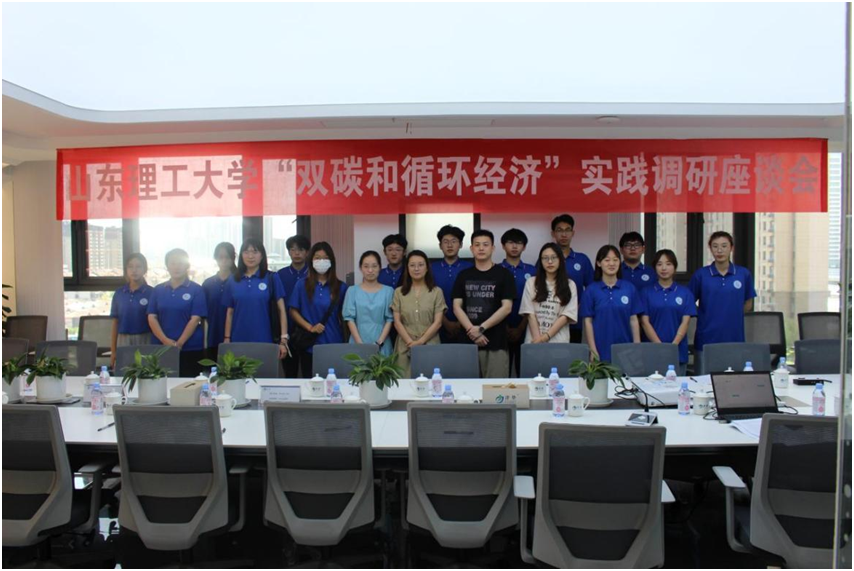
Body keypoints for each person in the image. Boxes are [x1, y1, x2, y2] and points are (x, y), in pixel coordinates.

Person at [452, 230, 516, 378]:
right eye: (477, 245)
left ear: (493, 248)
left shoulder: (504, 274)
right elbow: (456, 307)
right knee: (466, 389)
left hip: (496, 343)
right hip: (467, 342)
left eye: (485, 245)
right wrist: (472, 331)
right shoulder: (463, 275)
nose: (481, 248)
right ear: (471, 248)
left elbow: (507, 308)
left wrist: (481, 328)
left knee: (495, 388)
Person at [689, 231, 756, 360]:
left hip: (734, 337)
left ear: (731, 248)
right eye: (715, 246)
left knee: (733, 372)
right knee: (704, 372)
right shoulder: (701, 275)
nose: (719, 250)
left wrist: (731, 313)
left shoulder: (743, 274)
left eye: (724, 246)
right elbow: (689, 303)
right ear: (710, 248)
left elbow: (748, 303)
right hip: (706, 337)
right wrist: (705, 314)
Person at [288, 242, 348, 377]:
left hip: (334, 342)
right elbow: (293, 311)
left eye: (325, 258)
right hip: (310, 345)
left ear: (332, 261)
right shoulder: (302, 285)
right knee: (311, 383)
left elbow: (345, 316)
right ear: (311, 261)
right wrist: (310, 327)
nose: (321, 261)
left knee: (334, 382)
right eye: (317, 258)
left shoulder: (341, 287)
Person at [222, 239, 289, 359]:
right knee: (239, 371)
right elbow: (230, 313)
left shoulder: (272, 278)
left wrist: (283, 339)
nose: (250, 256)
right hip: (238, 340)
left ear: (262, 255)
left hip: (266, 340)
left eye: (255, 252)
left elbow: (281, 310)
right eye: (246, 252)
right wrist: (227, 338)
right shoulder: (233, 280)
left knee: (265, 370)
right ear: (241, 255)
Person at [146, 248, 207, 377]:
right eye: (172, 263)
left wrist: (179, 344)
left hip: (190, 348)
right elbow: (152, 317)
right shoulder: (158, 290)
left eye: (180, 263)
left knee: (190, 384)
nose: (176, 267)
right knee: (162, 383)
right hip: (161, 347)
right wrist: (165, 341)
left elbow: (195, 319)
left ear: (187, 265)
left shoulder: (196, 290)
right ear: (167, 266)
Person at [579, 245, 643, 363]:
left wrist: (637, 347)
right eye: (607, 260)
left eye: (615, 260)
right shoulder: (591, 290)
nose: (611, 264)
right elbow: (588, 322)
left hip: (626, 350)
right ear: (599, 263)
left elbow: (633, 320)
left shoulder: (629, 288)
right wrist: (593, 350)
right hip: (600, 349)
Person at [392, 250, 446, 378]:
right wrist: (410, 342)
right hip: (404, 345)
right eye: (412, 265)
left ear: (427, 268)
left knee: (431, 382)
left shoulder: (436, 292)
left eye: (421, 265)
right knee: (403, 383)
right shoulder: (399, 292)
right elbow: (397, 322)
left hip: (430, 343)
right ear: (407, 268)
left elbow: (438, 322)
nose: (416, 269)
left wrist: (420, 342)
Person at [640, 249, 696, 368]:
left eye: (668, 264)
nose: (664, 268)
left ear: (675, 267)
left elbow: (685, 323)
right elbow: (645, 322)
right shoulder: (646, 292)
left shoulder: (685, 293)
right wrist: (660, 347)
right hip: (651, 352)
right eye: (659, 264)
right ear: (654, 268)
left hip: (677, 351)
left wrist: (673, 346)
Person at [519, 243, 578, 344]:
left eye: (554, 257)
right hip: (533, 341)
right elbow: (530, 314)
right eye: (545, 258)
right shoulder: (531, 282)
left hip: (559, 342)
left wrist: (545, 338)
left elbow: (565, 316)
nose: (549, 261)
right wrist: (538, 339)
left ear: (560, 260)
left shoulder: (570, 285)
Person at [550, 214, 594, 342]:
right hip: (550, 318)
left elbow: (591, 288)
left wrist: (579, 306)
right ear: (553, 234)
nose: (564, 234)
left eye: (567, 230)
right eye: (559, 230)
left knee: (573, 352)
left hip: (574, 319)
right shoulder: (547, 258)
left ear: (573, 233)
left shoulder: (582, 260)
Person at [499, 228, 536, 376]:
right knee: (502, 372)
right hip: (499, 328)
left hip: (527, 327)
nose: (514, 246)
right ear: (503, 246)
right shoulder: (495, 270)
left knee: (526, 371)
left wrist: (521, 327)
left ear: (524, 246)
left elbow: (535, 301)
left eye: (519, 243)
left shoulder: (533, 270)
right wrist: (505, 327)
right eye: (510, 242)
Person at [343, 251, 395, 356]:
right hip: (357, 341)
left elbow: (390, 319)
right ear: (360, 268)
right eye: (366, 266)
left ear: (380, 267)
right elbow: (349, 319)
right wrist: (360, 344)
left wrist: (379, 343)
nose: (370, 270)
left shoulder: (388, 291)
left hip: (382, 342)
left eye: (374, 266)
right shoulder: (352, 291)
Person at [109, 253, 154, 369]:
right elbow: (115, 323)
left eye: (138, 266)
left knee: (145, 373)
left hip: (145, 338)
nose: (134, 270)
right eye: (130, 266)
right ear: (126, 269)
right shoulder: (119, 293)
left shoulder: (152, 292)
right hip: (123, 339)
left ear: (145, 269)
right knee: (124, 373)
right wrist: (113, 351)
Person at [431, 225, 473, 343]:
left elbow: (473, 297)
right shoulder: (431, 268)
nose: (450, 245)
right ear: (440, 246)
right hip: (436, 324)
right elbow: (428, 298)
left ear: (461, 244)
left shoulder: (470, 268)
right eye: (445, 242)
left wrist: (461, 322)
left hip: (467, 325)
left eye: (454, 241)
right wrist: (445, 322)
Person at [277, 234, 310, 376]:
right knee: (289, 373)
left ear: (307, 252)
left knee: (310, 372)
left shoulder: (313, 274)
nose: (297, 253)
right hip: (288, 330)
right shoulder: (280, 275)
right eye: (293, 249)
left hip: (309, 330)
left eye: (300, 250)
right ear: (289, 252)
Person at [201, 242, 236, 359]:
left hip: (235, 335)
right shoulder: (208, 284)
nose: (224, 261)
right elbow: (203, 315)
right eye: (220, 257)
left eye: (227, 257)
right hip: (213, 335)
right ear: (215, 258)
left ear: (233, 258)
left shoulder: (239, 281)